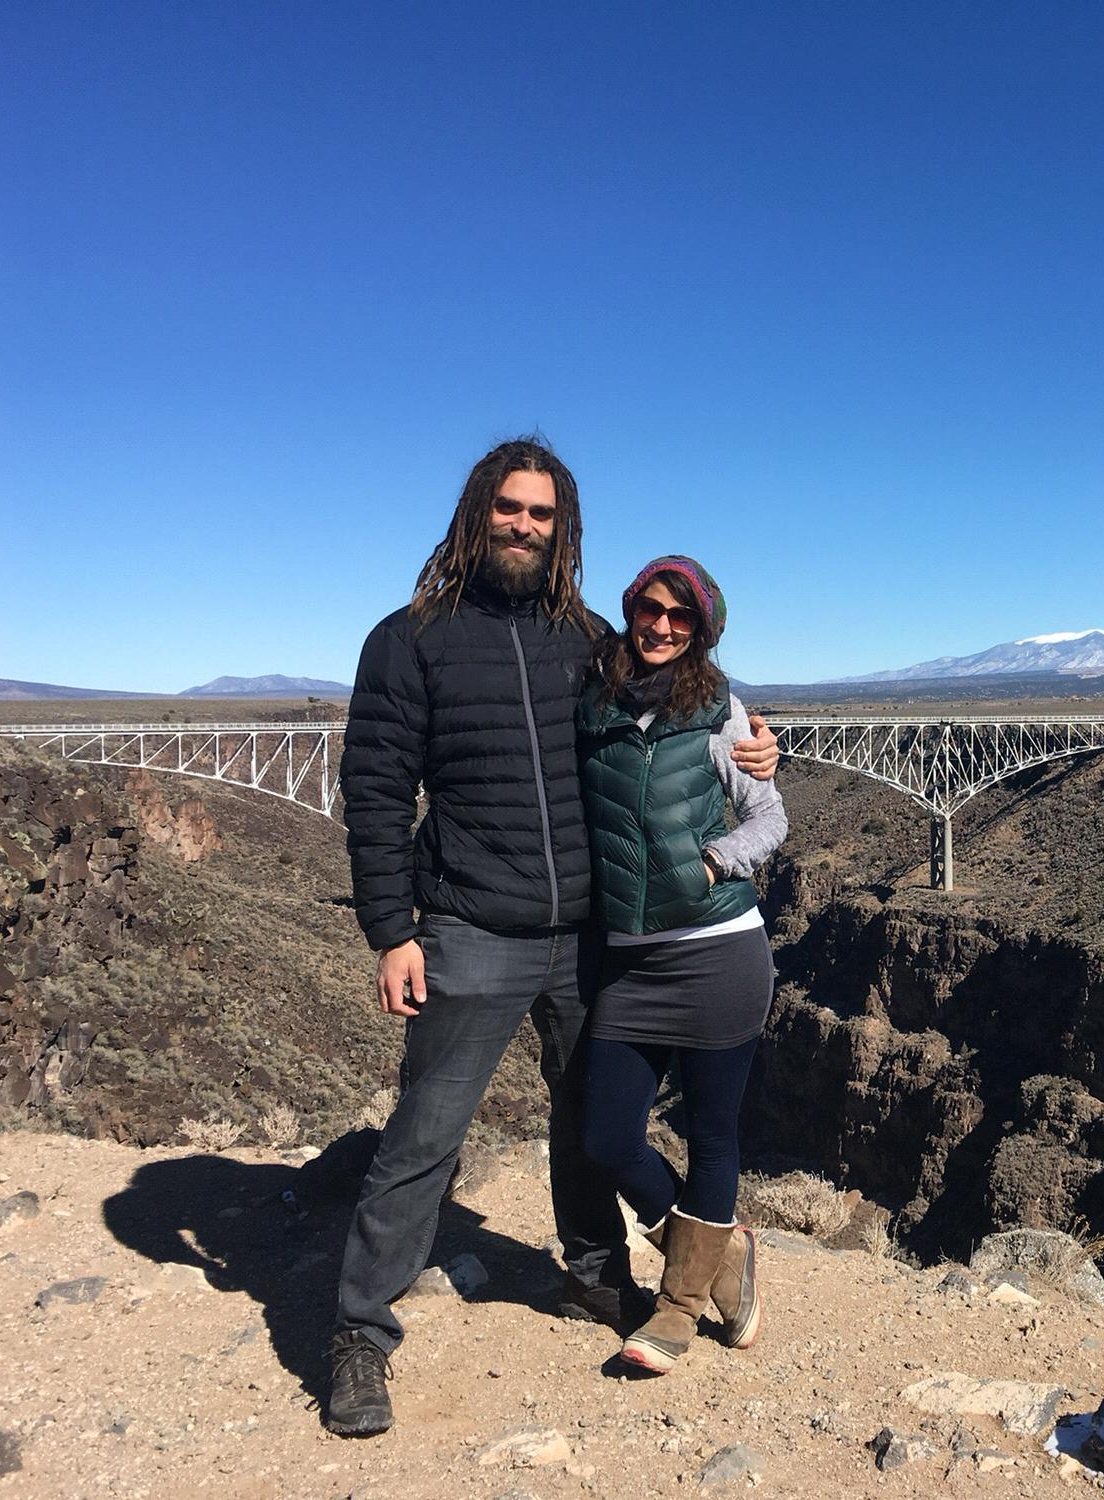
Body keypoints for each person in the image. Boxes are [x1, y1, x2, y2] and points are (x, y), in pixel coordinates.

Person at [323, 440, 779, 1436]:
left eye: (540, 514)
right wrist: (391, 930)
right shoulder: (408, 641)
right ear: (474, 513)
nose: (522, 526)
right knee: (424, 1136)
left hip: (590, 933)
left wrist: (757, 749)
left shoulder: (593, 643)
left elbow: (688, 699)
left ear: (562, 528)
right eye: (507, 508)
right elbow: (374, 792)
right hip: (467, 926)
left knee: (590, 1126)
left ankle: (594, 1274)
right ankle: (360, 1331)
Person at [576, 556, 787, 1375]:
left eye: (680, 617)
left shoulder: (721, 711)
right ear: (631, 612)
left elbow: (770, 819)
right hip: (630, 965)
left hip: (717, 955)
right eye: (649, 610)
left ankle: (677, 1305)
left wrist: (709, 865)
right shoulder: (591, 702)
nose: (660, 626)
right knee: (607, 1136)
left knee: (712, 1137)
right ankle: (725, 1259)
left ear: (701, 630)